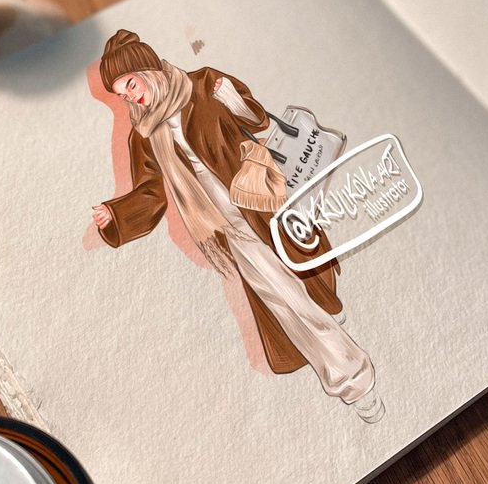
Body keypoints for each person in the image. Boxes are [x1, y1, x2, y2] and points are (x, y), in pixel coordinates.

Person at [91, 30, 383, 420]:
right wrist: (115, 215)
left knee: (298, 279)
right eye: (121, 94)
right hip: (224, 227)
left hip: (261, 201)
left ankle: (339, 342)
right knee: (282, 297)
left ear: (147, 69)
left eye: (130, 84)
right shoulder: (144, 135)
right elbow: (151, 192)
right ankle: (355, 381)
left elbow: (257, 120)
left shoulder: (203, 83)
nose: (131, 97)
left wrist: (233, 100)